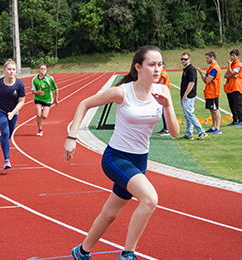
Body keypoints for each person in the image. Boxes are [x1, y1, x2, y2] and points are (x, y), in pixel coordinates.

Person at [63, 45, 179, 260]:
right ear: (138, 66)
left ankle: (81, 251)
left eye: (160, 65)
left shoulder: (162, 91)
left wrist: (168, 106)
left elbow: (174, 132)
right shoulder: (122, 92)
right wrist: (72, 137)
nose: (157, 69)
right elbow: (84, 104)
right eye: (151, 64)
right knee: (150, 199)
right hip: (116, 157)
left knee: (109, 215)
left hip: (140, 160)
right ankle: (128, 254)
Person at [0, 59, 26, 170]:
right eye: (9, 69)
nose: (11, 72)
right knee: (6, 133)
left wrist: (12, 113)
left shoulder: (20, 84)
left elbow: (22, 101)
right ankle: (6, 160)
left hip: (13, 112)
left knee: (8, 136)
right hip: (0, 111)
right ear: (4, 71)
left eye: (13, 69)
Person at [179, 52, 207, 140]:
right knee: (187, 116)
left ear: (189, 59)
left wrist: (185, 95)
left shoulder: (191, 69)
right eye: (182, 59)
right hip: (185, 96)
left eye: (185, 59)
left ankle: (201, 131)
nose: (183, 61)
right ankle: (189, 133)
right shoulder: (186, 69)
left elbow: (191, 83)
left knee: (189, 115)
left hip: (188, 96)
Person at [197, 51, 222, 135]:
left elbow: (208, 80)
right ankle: (213, 127)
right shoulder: (210, 68)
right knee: (212, 110)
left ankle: (218, 128)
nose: (206, 60)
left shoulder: (215, 68)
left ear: (212, 58)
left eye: (207, 58)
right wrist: (201, 73)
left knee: (215, 110)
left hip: (213, 92)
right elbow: (205, 81)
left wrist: (206, 77)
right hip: (209, 92)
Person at [31, 64, 59, 136]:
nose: (42, 70)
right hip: (38, 98)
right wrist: (38, 92)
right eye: (41, 69)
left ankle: (42, 110)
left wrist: (56, 99)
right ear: (38, 70)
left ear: (46, 70)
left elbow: (56, 89)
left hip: (47, 99)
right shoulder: (34, 79)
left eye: (44, 69)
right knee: (38, 114)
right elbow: (33, 91)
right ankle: (40, 129)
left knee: (44, 116)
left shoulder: (49, 79)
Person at [224, 49, 242, 127]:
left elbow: (232, 72)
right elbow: (225, 75)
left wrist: (229, 67)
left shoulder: (239, 65)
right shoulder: (232, 65)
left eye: (233, 55)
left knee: (237, 105)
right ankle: (235, 120)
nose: (231, 57)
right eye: (231, 55)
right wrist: (231, 75)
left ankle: (240, 120)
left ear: (237, 56)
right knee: (231, 105)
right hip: (229, 87)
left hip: (236, 87)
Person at [156, 62, 171, 136]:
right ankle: (165, 128)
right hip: (162, 94)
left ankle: (166, 129)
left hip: (163, 94)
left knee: (164, 112)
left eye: (160, 65)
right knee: (162, 112)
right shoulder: (161, 72)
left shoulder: (163, 73)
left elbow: (160, 84)